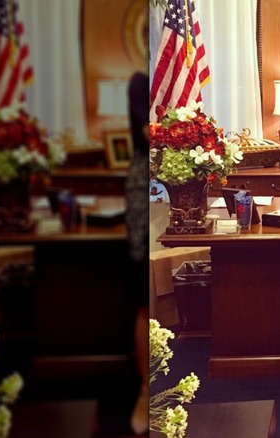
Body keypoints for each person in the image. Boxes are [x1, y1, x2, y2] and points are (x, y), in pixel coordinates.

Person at [125, 69, 150, 435]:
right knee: (143, 301)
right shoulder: (139, 82)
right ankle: (146, 390)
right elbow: (148, 133)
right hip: (143, 193)